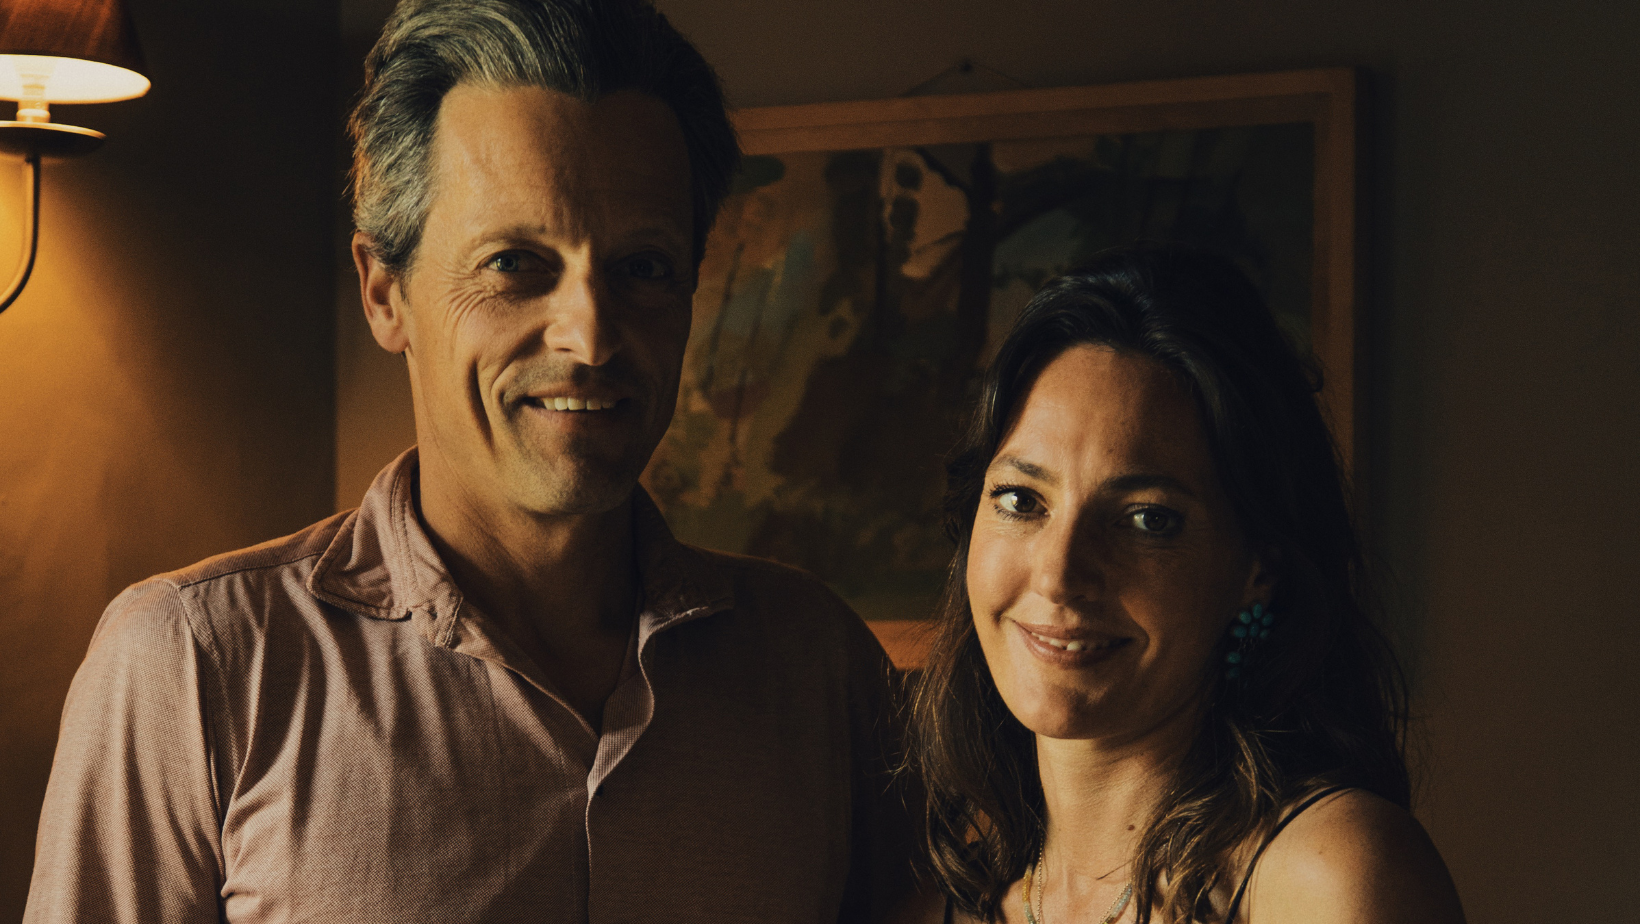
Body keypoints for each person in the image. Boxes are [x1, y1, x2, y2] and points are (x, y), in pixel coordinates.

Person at [24, 1, 914, 921]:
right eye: (515, 263)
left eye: (643, 267)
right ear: (384, 292)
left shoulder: (819, 667)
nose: (591, 336)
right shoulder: (196, 666)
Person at [899, 245, 1466, 923]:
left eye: (1147, 518)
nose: (1058, 575)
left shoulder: (1329, 878)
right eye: (1022, 501)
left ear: (1258, 569)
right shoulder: (938, 905)